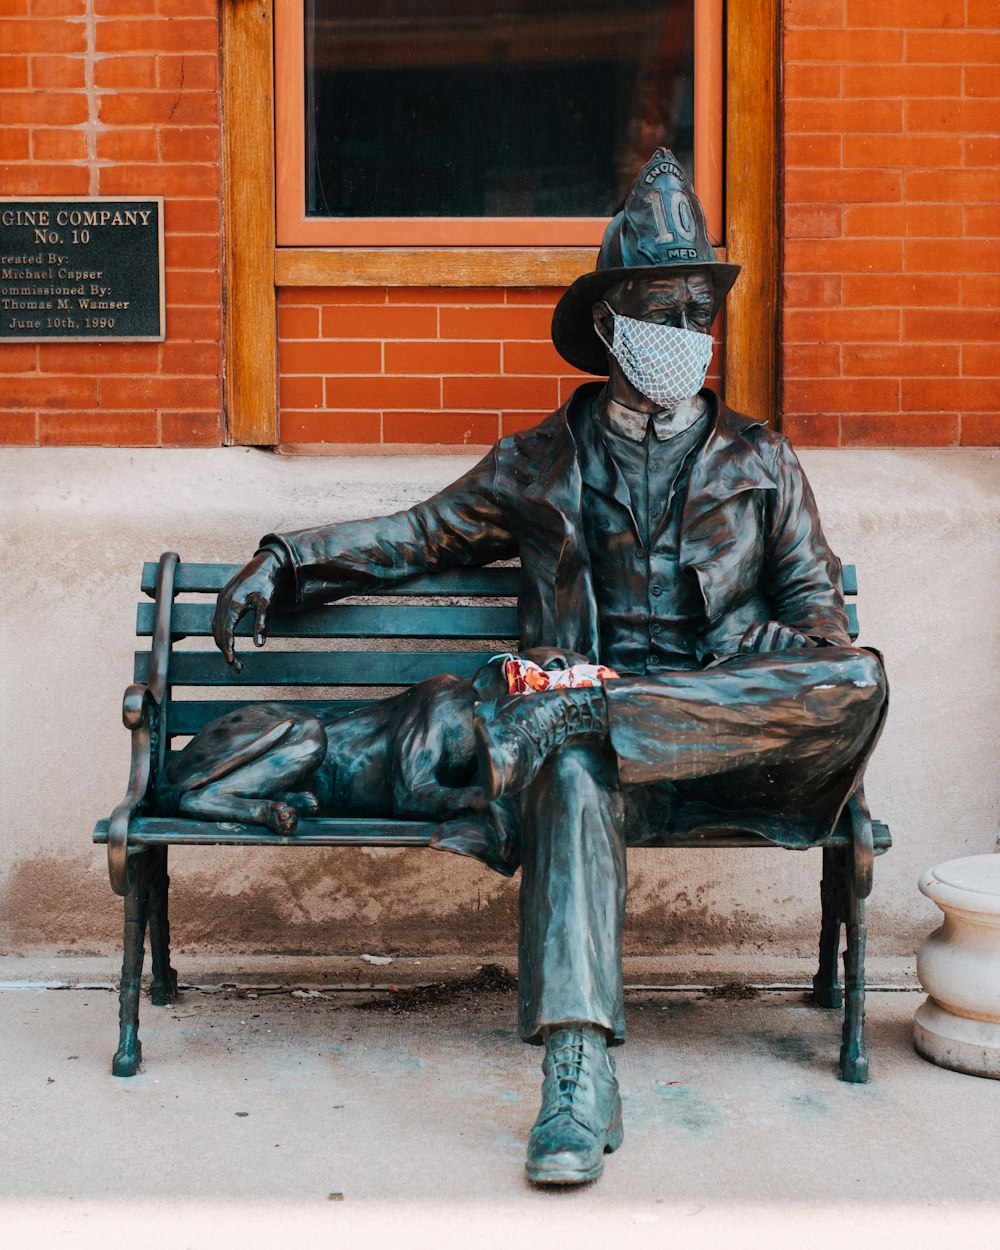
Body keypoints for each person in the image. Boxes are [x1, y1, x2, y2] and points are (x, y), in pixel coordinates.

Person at [213, 150, 887, 1186]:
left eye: (701, 311)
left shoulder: (762, 460)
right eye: (668, 310)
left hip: (716, 751)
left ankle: (589, 713)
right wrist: (286, 555)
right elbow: (411, 537)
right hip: (596, 779)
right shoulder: (535, 465)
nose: (691, 333)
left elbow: (815, 620)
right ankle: (577, 1069)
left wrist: (784, 649)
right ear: (614, 326)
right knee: (573, 770)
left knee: (853, 682)